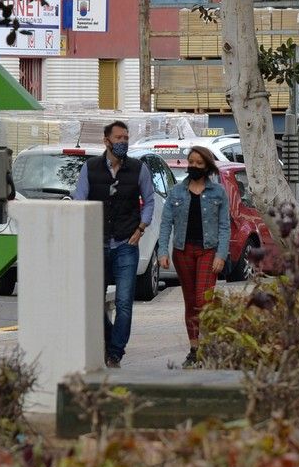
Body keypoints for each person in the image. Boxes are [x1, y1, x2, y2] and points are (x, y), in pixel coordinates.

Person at [73, 120, 155, 368]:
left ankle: (115, 352)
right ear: (106, 141)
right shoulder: (91, 168)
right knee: (93, 301)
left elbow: (149, 200)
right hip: (97, 245)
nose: (123, 142)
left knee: (124, 303)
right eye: (118, 138)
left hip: (125, 244)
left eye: (126, 138)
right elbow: (79, 200)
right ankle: (110, 340)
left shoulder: (138, 169)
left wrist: (141, 228)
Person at [157, 146, 230, 368]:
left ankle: (210, 344)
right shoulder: (177, 192)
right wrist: (162, 251)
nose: (194, 166)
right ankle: (195, 348)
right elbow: (165, 223)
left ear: (207, 166)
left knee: (203, 299)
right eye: (191, 162)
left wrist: (221, 255)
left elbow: (225, 226)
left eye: (199, 163)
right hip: (183, 252)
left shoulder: (218, 192)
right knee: (190, 302)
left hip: (209, 251)